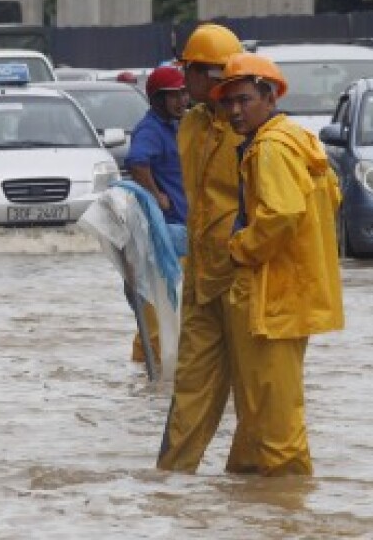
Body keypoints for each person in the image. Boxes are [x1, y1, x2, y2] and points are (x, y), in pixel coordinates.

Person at [212, 52, 343, 476]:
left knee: (275, 423)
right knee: (257, 414)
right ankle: (250, 504)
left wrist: (240, 248)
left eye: (244, 100)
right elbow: (330, 200)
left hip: (274, 298)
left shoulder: (269, 148)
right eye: (228, 102)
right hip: (290, 293)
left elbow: (282, 215)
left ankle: (286, 512)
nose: (234, 110)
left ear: (269, 98)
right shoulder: (298, 139)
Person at [156, 23, 250, 474]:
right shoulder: (191, 125)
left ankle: (259, 495)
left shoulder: (254, 130)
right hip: (203, 279)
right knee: (190, 387)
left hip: (246, 281)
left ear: (210, 75)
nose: (181, 82)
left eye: (188, 72)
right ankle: (172, 482)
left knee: (258, 402)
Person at [126, 65, 189, 364]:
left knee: (171, 315)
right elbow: (136, 162)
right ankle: (148, 377)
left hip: (179, 233)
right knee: (156, 320)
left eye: (182, 93)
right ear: (156, 99)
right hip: (163, 237)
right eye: (172, 96)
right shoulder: (150, 129)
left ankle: (147, 379)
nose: (181, 101)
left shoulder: (177, 125)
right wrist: (156, 196)